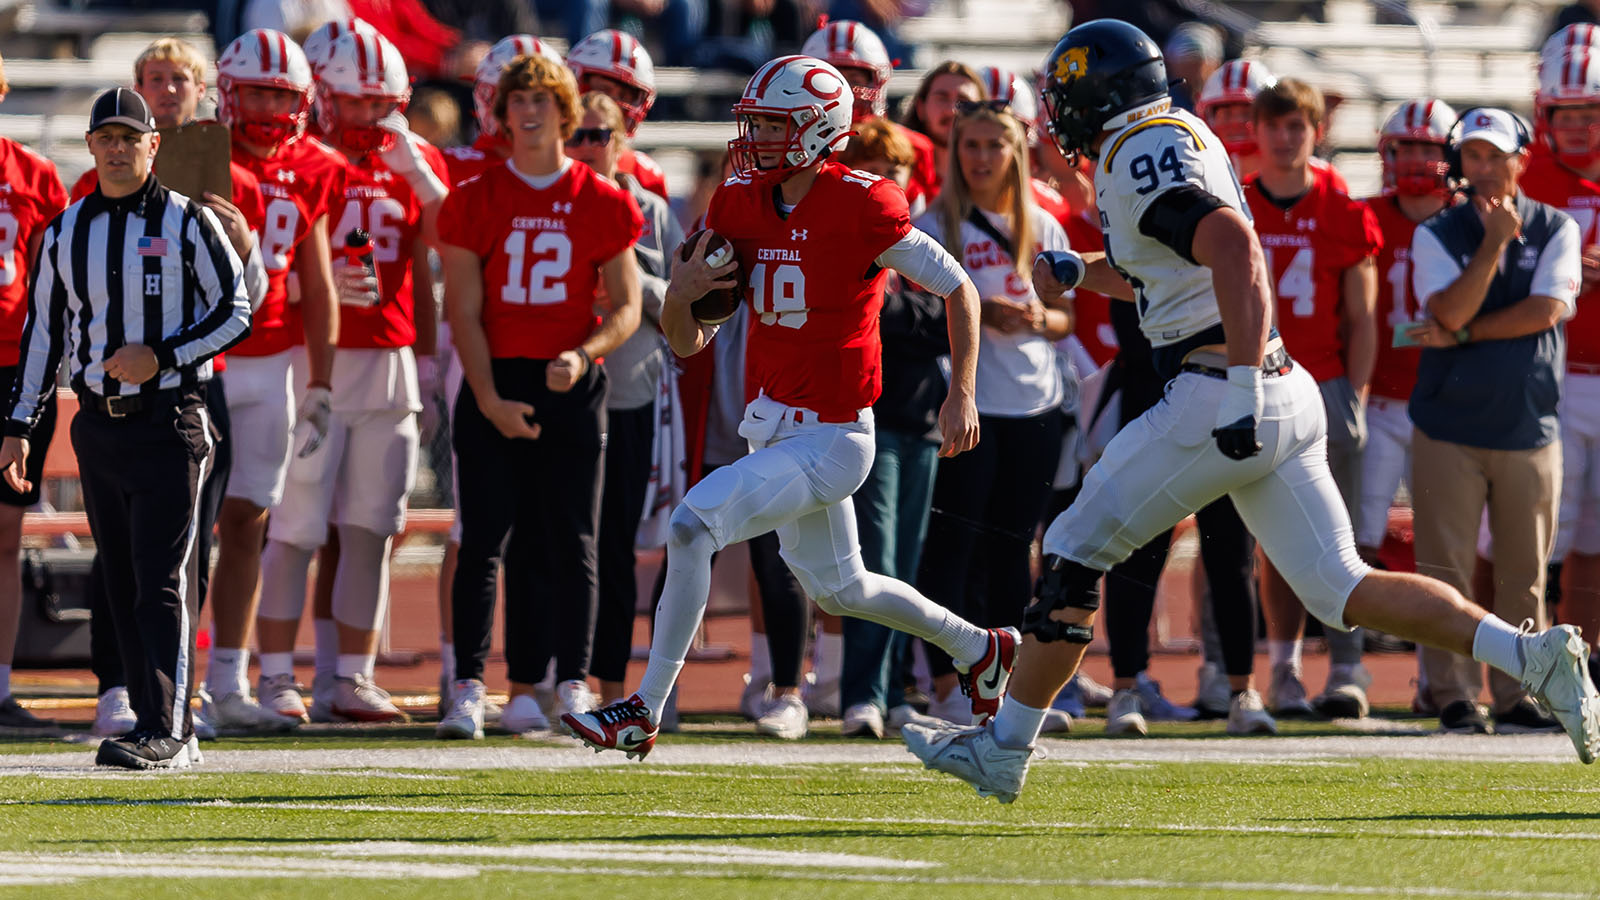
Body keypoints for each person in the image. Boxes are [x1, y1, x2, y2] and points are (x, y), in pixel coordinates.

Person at [906, 20, 1600, 805]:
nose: (1059, 113)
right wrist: (1082, 269)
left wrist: (1235, 390)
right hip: (1282, 386)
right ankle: (1534, 655)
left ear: (1099, 93)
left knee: (1069, 547)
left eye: (1066, 96)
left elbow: (1233, 245)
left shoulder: (1137, 152)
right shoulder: (1175, 133)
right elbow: (1171, 269)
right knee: (1343, 587)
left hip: (1221, 387)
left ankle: (1003, 750)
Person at [563, 54, 1013, 761]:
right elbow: (690, 340)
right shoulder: (739, 201)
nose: (759, 140)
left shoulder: (864, 203)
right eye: (757, 125)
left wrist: (963, 390)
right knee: (843, 589)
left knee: (690, 526)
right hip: (772, 427)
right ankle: (981, 648)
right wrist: (678, 296)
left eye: (774, 126)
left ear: (818, 129)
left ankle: (643, 708)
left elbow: (959, 287)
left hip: (834, 436)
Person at [3, 87, 251, 768]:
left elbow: (236, 310)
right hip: (97, 424)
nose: (117, 148)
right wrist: (18, 426)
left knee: (160, 576)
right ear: (89, 147)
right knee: (118, 580)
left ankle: (170, 728)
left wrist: (161, 356)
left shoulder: (188, 221)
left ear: (153, 145)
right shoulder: (64, 229)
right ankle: (154, 721)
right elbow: (41, 335)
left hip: (171, 418)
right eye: (105, 138)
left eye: (128, 137)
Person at [66, 37, 272, 736]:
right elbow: (62, 306)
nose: (166, 88)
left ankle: (173, 698)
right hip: (110, 400)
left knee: (182, 551)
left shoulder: (216, 192)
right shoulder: (84, 206)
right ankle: (119, 685)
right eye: (153, 78)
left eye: (179, 78)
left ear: (199, 91)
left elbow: (248, 299)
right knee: (119, 554)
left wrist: (248, 249)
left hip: (188, 390)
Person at [435, 53, 643, 740]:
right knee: (484, 540)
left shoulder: (604, 199)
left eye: (542, 99)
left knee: (573, 539)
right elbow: (462, 310)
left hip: (568, 381)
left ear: (566, 110)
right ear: (501, 113)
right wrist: (490, 397)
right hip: (497, 377)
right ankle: (469, 684)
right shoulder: (474, 198)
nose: (529, 111)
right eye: (517, 99)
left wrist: (585, 354)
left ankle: (570, 682)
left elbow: (626, 305)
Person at [253, 29, 448, 723]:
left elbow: (454, 249)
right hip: (315, 355)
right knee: (297, 525)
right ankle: (276, 674)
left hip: (389, 360)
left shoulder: (411, 157)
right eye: (356, 105)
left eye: (381, 105)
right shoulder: (297, 159)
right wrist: (317, 288)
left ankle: (351, 675)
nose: (370, 120)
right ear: (323, 99)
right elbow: (271, 269)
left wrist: (421, 178)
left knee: (373, 525)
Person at [1406, 107, 1583, 735]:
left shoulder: (1558, 226)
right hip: (1448, 426)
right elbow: (1445, 310)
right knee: (1444, 570)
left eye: (1493, 156)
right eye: (1472, 156)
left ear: (1520, 161)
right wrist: (1491, 246)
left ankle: (1518, 694)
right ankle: (1451, 693)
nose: (1482, 169)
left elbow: (1545, 309)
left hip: (1528, 424)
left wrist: (1468, 332)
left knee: (1523, 575)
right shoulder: (1437, 232)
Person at [912, 99, 1072, 723]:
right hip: (965, 403)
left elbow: (1066, 321)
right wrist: (977, 314)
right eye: (970, 145)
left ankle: (1009, 688)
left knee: (1013, 551)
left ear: (1016, 151)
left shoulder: (1046, 226)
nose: (981, 157)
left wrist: (1035, 317)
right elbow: (919, 318)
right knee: (954, 547)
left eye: (993, 145)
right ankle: (950, 685)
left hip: (1035, 403)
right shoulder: (932, 222)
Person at [211, 29, 343, 725]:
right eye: (258, 90)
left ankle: (228, 681)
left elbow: (318, 284)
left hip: (269, 362)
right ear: (230, 94)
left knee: (249, 521)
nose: (268, 106)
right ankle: (162, 677)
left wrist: (319, 381)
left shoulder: (316, 167)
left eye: (281, 93)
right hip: (204, 361)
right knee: (181, 526)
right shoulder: (197, 153)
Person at [1243, 78, 1381, 720]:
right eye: (1274, 124)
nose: (1285, 136)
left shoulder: (1344, 210)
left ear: (1315, 131)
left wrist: (1354, 392)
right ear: (1257, 131)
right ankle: (1284, 670)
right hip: (1256, 383)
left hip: (1322, 382)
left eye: (1297, 125)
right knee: (1273, 539)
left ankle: (1347, 669)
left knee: (1340, 537)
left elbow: (1363, 319)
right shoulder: (1235, 205)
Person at [433, 33, 563, 702]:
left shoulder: (575, 178)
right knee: (474, 529)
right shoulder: (465, 172)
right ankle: (462, 668)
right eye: (512, 98)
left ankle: (538, 673)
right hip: (470, 353)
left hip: (554, 366)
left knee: (547, 528)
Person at [832, 118, 950, 739]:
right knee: (871, 563)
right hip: (868, 420)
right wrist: (913, 314)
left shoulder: (916, 234)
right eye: (872, 163)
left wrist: (910, 314)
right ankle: (863, 693)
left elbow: (939, 314)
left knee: (906, 563)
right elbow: (885, 312)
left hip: (922, 418)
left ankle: (899, 687)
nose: (886, 176)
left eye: (896, 166)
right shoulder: (849, 230)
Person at [568, 91, 684, 709]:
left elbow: (680, 304)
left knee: (614, 548)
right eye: (577, 135)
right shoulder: (550, 201)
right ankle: (558, 682)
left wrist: (623, 276)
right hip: (563, 389)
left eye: (599, 135)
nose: (587, 147)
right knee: (557, 540)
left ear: (621, 141)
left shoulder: (652, 211)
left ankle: (612, 685)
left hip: (629, 392)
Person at [1524, 46, 1600, 683]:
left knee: (1595, 536)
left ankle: (1587, 658)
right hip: (1551, 375)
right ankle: (1533, 654)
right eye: (1565, 112)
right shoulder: (1526, 179)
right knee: (1541, 529)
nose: (1578, 124)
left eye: (1591, 112)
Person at [0, 51, 68, 730]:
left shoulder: (35, 174)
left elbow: (54, 286)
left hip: (13, 367)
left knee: (4, 533)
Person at [1357, 100, 1455, 570]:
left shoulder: (1474, 219)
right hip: (1379, 401)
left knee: (1450, 536)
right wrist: (1418, 334)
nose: (1416, 160)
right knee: (1361, 534)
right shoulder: (1365, 216)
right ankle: (1361, 636)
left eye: (1427, 148)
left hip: (1448, 402)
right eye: (1406, 148)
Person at [801, 19, 937, 212]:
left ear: (877, 81)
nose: (844, 90)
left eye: (854, 80)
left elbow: (928, 223)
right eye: (832, 79)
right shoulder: (792, 144)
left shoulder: (914, 147)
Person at [567, 30, 668, 200]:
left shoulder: (646, 175)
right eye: (604, 91)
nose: (613, 104)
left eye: (624, 96)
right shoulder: (544, 162)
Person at [901, 61, 986, 199]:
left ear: (982, 113)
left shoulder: (995, 182)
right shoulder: (896, 175)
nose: (952, 110)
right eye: (942, 98)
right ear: (920, 108)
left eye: (963, 100)